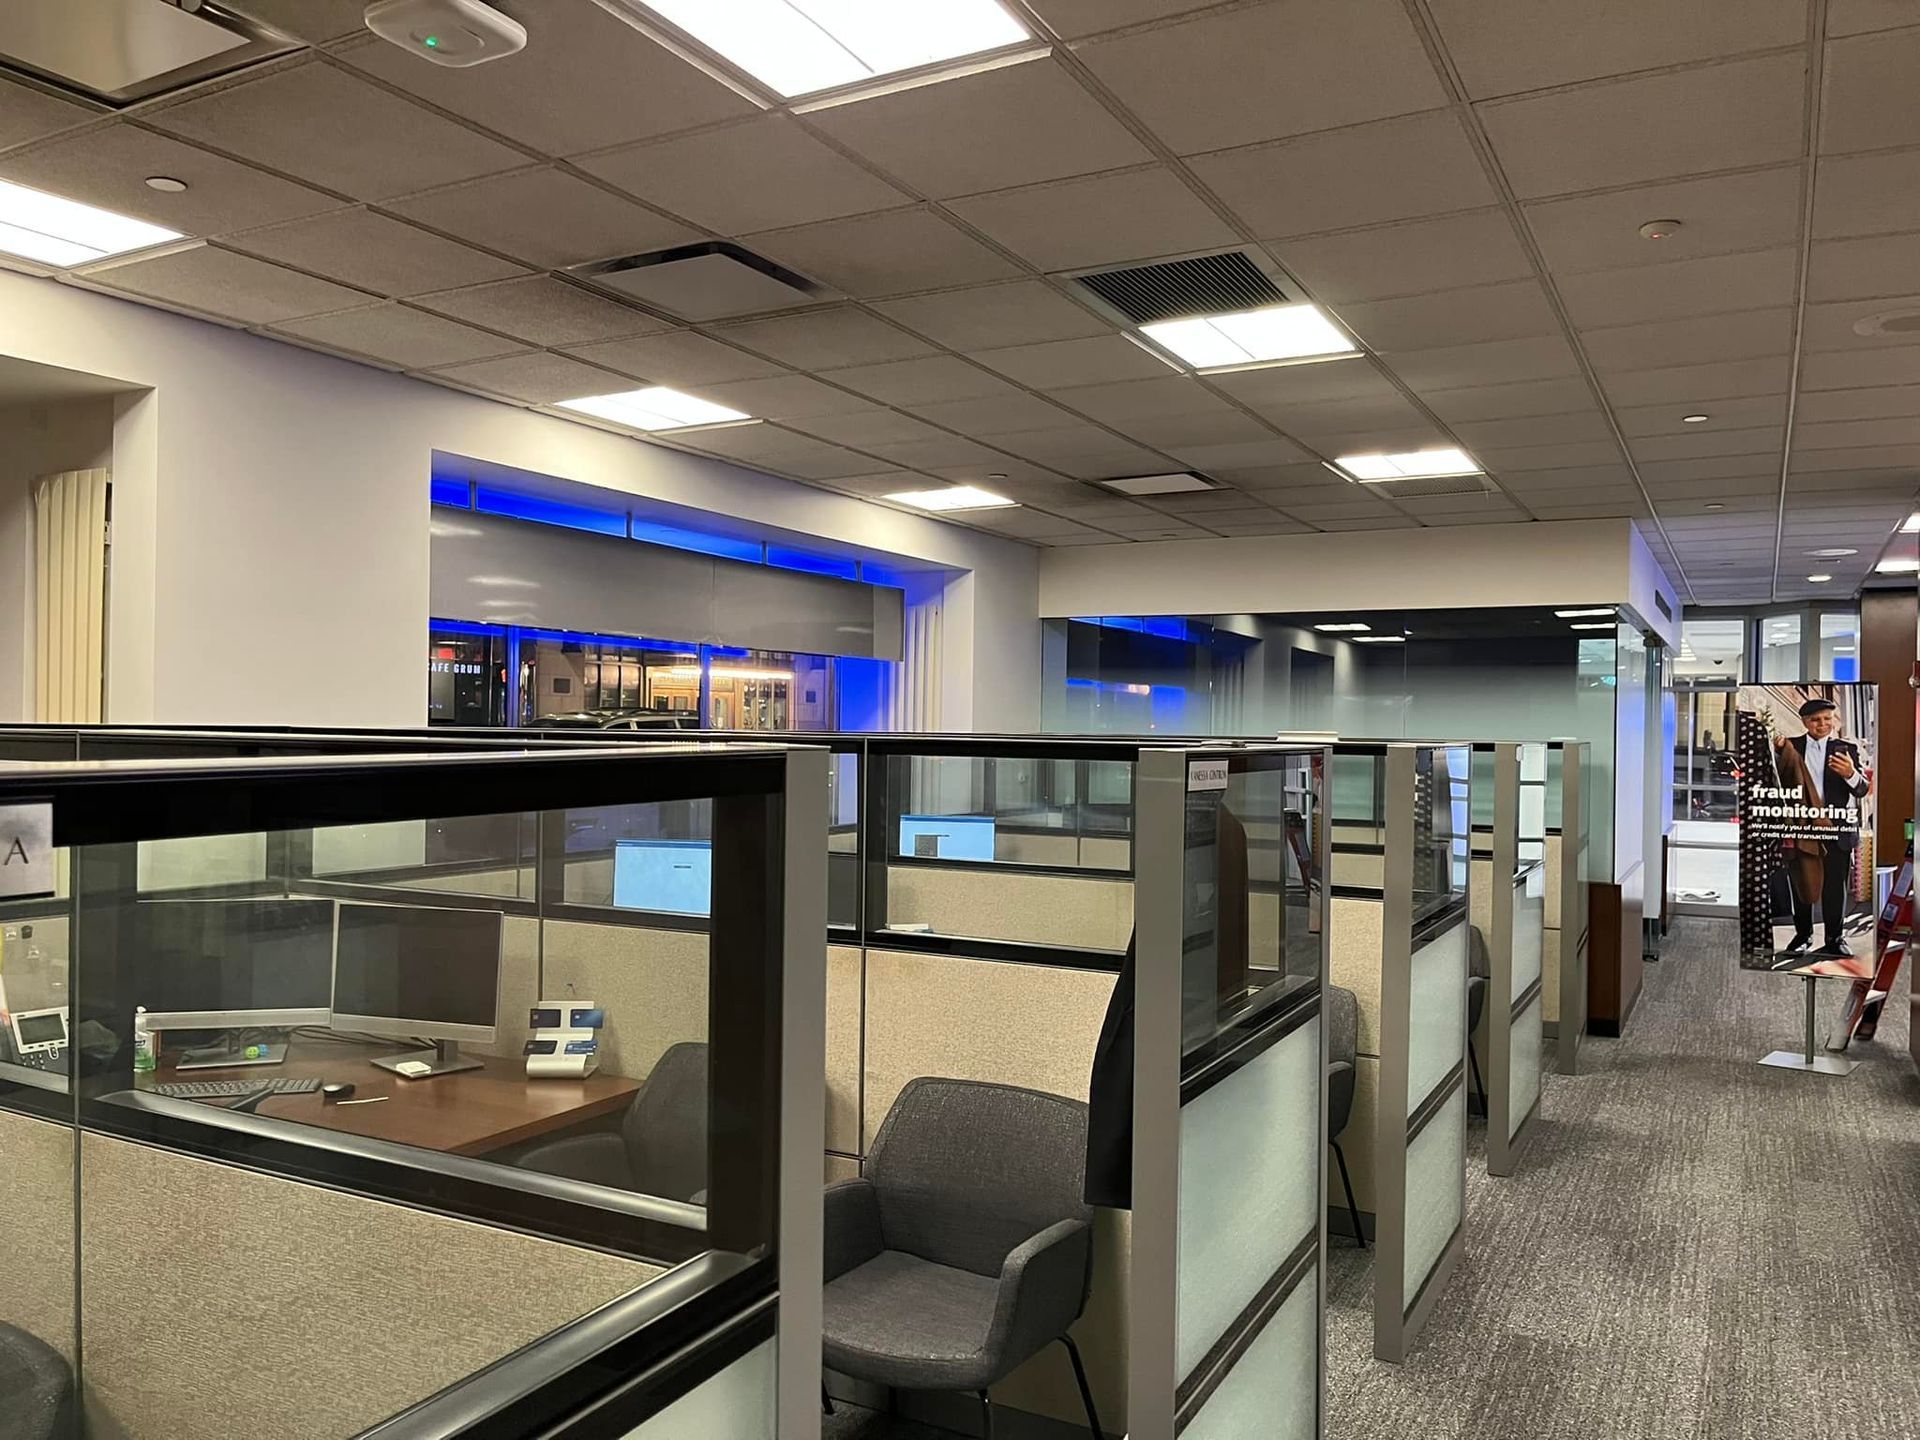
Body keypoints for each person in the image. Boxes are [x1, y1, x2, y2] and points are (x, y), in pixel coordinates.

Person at [1773, 697, 1870, 956]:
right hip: (1803, 827)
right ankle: (1802, 935)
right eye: (1816, 720)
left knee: (1835, 887)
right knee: (1801, 882)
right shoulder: (1790, 746)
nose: (1822, 724)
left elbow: (1862, 790)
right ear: (1805, 722)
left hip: (1836, 829)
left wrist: (1850, 773)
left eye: (1827, 719)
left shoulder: (1847, 749)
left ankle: (1835, 939)